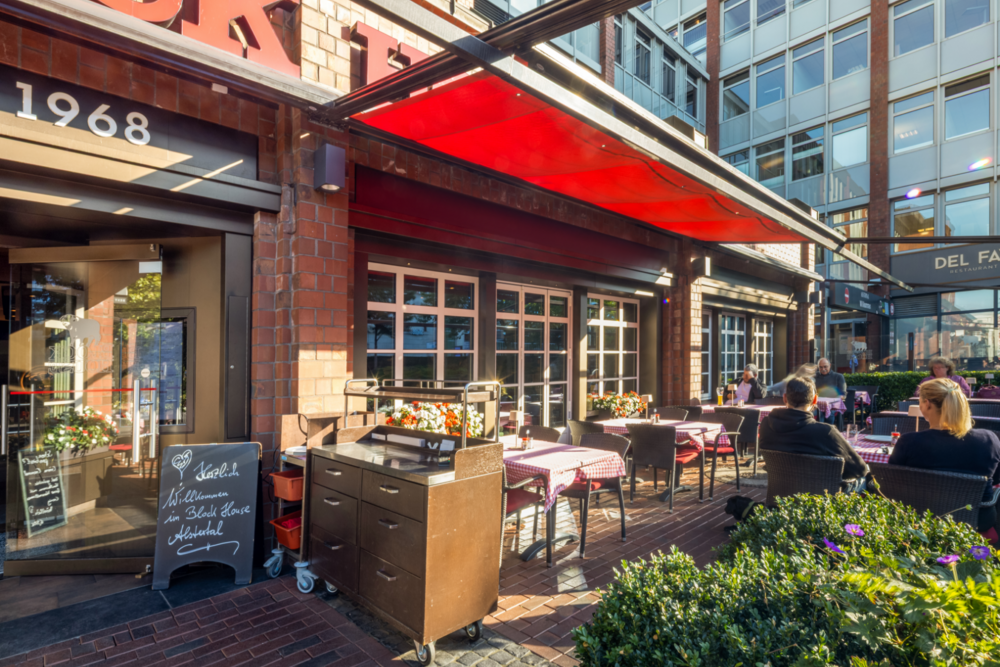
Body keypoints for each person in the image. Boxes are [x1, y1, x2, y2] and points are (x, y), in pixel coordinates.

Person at [891, 379, 1000, 533]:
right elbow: (996, 479)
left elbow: (893, 482)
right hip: (976, 521)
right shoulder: (990, 439)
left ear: (927, 404)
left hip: (920, 521)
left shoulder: (909, 442)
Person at [759, 377, 868, 491]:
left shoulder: (766, 424)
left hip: (781, 496)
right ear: (815, 400)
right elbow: (860, 469)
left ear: (785, 398)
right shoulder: (825, 432)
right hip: (819, 501)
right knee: (868, 479)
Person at [814, 357, 847, 425]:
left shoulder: (838, 377)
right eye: (820, 367)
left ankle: (826, 430)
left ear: (830, 365)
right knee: (816, 412)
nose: (823, 369)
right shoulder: (815, 377)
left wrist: (835, 400)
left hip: (833, 405)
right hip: (817, 404)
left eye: (825, 367)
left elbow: (843, 394)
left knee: (827, 413)